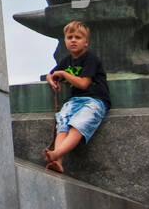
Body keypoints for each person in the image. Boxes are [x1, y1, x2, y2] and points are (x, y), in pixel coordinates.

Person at [43, 21, 110, 174]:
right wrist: (52, 80)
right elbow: (51, 74)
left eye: (78, 37)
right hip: (74, 101)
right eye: (69, 37)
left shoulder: (90, 58)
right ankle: (58, 162)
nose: (73, 40)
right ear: (65, 40)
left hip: (94, 100)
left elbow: (84, 84)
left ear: (86, 42)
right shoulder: (67, 60)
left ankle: (56, 153)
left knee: (77, 126)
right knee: (63, 126)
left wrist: (65, 74)